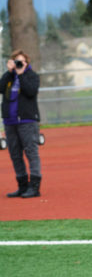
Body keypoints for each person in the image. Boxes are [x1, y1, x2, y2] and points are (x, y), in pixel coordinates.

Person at [2, 50, 42, 198]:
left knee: (31, 153)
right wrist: (9, 72)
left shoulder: (32, 76)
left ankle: (35, 187)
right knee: (15, 155)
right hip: (10, 121)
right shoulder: (9, 77)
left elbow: (31, 91)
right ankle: (22, 186)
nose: (19, 64)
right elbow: (0, 88)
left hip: (27, 120)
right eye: (16, 61)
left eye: (21, 62)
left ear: (27, 63)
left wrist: (21, 73)